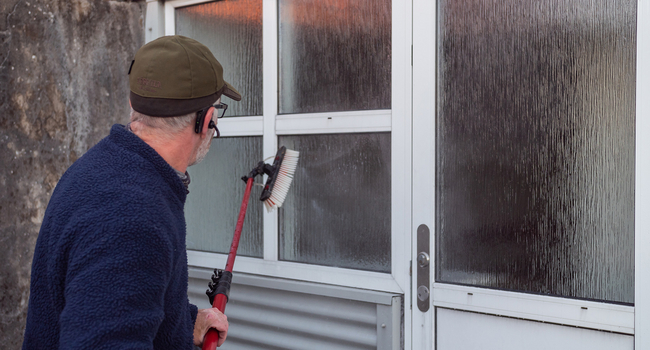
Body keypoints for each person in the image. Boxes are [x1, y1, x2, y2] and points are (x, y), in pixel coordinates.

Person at [22, 35, 239, 349]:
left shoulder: (106, 166)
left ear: (133, 103)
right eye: (217, 109)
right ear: (206, 120)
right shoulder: (133, 215)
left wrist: (183, 324)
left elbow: (117, 297)